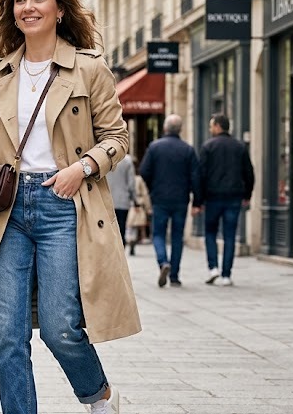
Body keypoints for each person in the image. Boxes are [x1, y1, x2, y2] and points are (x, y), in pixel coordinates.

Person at [0, 0, 140, 414]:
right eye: (19, 1)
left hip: (65, 206)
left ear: (58, 9)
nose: (28, 7)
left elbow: (118, 139)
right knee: (9, 331)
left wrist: (82, 168)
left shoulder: (87, 69)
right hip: (7, 210)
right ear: (11, 13)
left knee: (61, 327)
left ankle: (99, 394)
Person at [139, 114, 201, 288]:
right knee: (177, 236)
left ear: (165, 128)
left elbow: (144, 171)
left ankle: (162, 262)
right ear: (180, 130)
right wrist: (196, 200)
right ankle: (174, 275)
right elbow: (196, 177)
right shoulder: (187, 150)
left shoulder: (154, 147)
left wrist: (153, 188)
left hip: (160, 198)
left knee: (158, 233)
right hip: (181, 199)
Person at [198, 113, 255, 286]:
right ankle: (226, 275)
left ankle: (213, 267)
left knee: (210, 233)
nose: (210, 129)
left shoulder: (208, 147)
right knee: (230, 235)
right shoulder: (239, 147)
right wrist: (247, 195)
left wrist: (199, 200)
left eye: (211, 125)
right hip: (234, 197)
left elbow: (201, 175)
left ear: (217, 126)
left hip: (213, 197)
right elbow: (249, 173)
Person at [106, 153, 135, 249]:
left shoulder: (103, 157)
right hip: (123, 200)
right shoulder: (127, 160)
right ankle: (121, 252)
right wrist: (134, 199)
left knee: (107, 229)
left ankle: (110, 251)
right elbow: (131, 183)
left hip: (106, 199)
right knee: (121, 228)